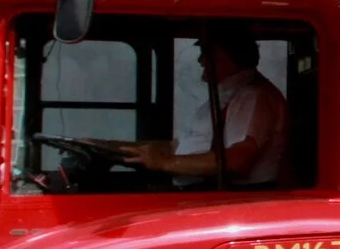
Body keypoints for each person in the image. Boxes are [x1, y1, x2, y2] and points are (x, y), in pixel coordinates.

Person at [120, 24, 288, 187]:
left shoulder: (254, 96)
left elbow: (238, 160)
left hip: (237, 198)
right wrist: (129, 149)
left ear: (229, 56)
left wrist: (165, 163)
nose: (200, 61)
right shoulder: (226, 96)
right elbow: (190, 142)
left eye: (206, 53)